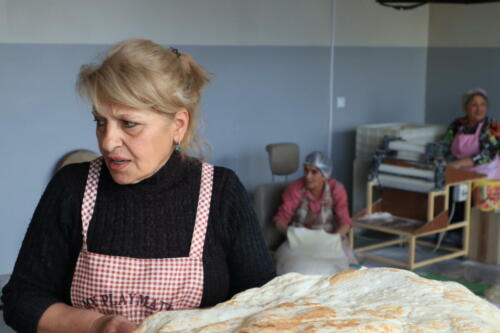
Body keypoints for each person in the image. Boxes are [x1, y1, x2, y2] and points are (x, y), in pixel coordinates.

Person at [1, 39, 275, 333]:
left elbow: (267, 306)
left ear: (178, 125)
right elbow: (22, 299)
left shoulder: (222, 193)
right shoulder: (72, 188)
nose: (107, 142)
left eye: (128, 124)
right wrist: (97, 325)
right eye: (100, 122)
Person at [273, 151, 357, 275]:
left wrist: (333, 239)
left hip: (330, 238)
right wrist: (293, 235)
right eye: (306, 171)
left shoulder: (336, 189)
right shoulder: (295, 188)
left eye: (314, 172)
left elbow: (345, 222)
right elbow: (280, 220)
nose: (308, 176)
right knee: (294, 270)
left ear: (324, 175)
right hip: (301, 240)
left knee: (348, 271)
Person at [443, 88, 500, 179]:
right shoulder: (457, 124)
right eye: (474, 105)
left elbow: (489, 153)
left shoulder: (493, 126)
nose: (479, 109)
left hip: (486, 172)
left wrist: (458, 163)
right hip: (461, 170)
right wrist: (439, 159)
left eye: (483, 104)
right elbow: (445, 144)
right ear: (465, 108)